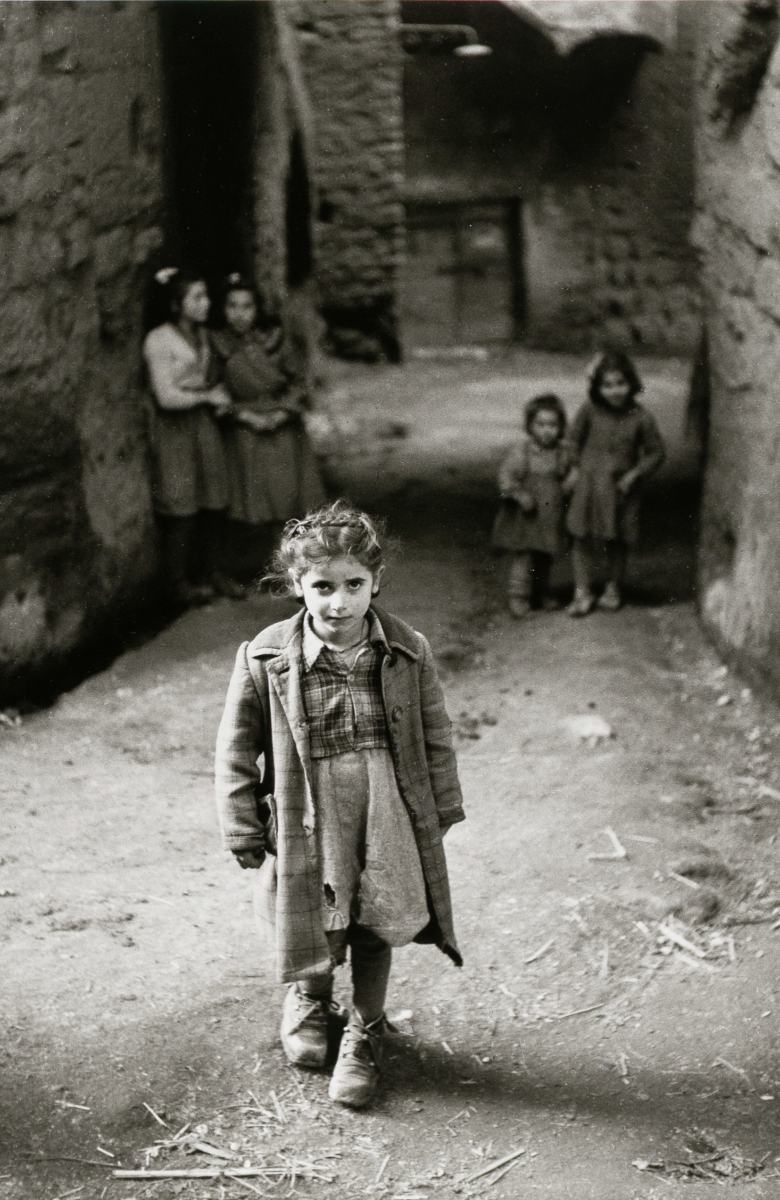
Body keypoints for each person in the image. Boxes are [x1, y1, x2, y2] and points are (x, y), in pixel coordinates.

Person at [214, 501, 464, 1109]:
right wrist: (242, 824)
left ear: (375, 581)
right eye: (322, 586)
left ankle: (365, 1028)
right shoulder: (265, 657)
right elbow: (235, 749)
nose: (339, 603)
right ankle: (310, 995)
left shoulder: (406, 651)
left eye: (354, 585)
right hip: (311, 809)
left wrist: (441, 809)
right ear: (296, 585)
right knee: (313, 914)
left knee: (376, 914)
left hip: (385, 809)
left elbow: (436, 734)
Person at [210, 275, 326, 580]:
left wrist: (281, 413)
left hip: (281, 428)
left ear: (257, 309)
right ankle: (240, 569)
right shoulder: (215, 344)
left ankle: (291, 569)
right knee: (247, 500)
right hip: (242, 430)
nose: (240, 314)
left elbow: (299, 382)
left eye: (247, 306)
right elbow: (212, 389)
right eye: (232, 306)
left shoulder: (276, 339)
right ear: (222, 309)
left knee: (285, 497)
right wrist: (242, 415)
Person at [142, 269, 245, 607]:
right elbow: (166, 397)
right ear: (176, 305)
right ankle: (177, 583)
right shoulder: (159, 340)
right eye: (197, 297)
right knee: (181, 504)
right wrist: (206, 396)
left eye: (206, 296)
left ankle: (215, 572)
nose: (206, 303)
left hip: (202, 424)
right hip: (175, 427)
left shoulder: (205, 337)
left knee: (215, 499)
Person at [564, 351, 666, 616]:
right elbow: (573, 440)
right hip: (588, 484)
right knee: (580, 537)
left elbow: (656, 452)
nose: (614, 391)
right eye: (607, 385)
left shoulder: (641, 417)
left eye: (620, 383)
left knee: (617, 539)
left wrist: (635, 473)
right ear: (597, 387)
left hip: (620, 488)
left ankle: (613, 587)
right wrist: (574, 466)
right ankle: (582, 591)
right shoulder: (589, 410)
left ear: (632, 383)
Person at [491, 394, 576, 618]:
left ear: (562, 427)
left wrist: (570, 483)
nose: (547, 430)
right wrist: (519, 494)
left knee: (546, 556)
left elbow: (573, 470)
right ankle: (518, 596)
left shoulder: (562, 452)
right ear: (529, 426)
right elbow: (506, 477)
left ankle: (540, 592)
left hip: (550, 515)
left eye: (553, 425)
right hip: (528, 516)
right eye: (541, 424)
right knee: (525, 559)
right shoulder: (523, 452)